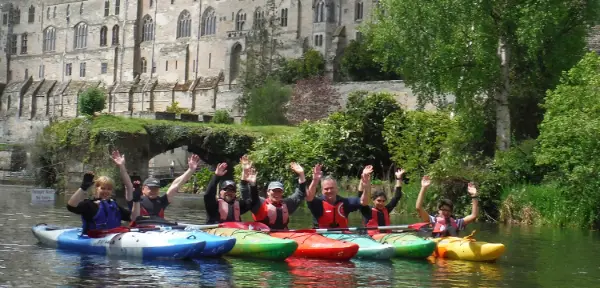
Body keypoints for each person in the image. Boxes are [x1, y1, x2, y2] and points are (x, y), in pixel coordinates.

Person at [67, 151, 140, 235]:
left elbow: (134, 218)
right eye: (103, 188)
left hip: (112, 238)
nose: (106, 191)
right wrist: (83, 188)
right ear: (96, 188)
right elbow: (71, 206)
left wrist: (136, 200)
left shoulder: (114, 206)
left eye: (109, 189)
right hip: (93, 240)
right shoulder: (89, 205)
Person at [130, 154, 200, 225]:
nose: (153, 191)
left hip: (159, 230)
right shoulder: (138, 201)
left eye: (155, 188)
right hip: (142, 230)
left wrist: (190, 170)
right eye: (150, 188)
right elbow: (134, 218)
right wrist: (136, 200)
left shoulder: (161, 201)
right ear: (143, 189)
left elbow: (175, 185)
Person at [305, 164, 372, 228]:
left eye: (332, 188)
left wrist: (366, 185)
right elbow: (309, 196)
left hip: (342, 235)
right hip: (321, 235)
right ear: (322, 190)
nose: (329, 191)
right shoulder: (317, 203)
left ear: (337, 189)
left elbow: (364, 202)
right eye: (326, 189)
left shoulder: (346, 202)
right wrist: (315, 180)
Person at [415, 176, 479, 237]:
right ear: (439, 210)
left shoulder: (457, 223)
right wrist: (423, 188)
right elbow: (418, 208)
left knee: (450, 228)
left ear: (451, 212)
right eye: (443, 210)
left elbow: (474, 215)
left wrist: (474, 195)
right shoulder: (432, 220)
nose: (446, 212)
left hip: (453, 244)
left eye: (448, 210)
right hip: (437, 244)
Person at [251, 161, 306, 230]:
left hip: (283, 236)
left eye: (279, 191)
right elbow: (252, 196)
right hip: (264, 236)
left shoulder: (286, 204)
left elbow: (301, 193)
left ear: (282, 193)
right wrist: (252, 184)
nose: (277, 194)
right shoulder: (260, 204)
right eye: (274, 191)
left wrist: (301, 174)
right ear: (268, 192)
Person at [203, 157, 254, 224]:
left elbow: (250, 200)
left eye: (232, 190)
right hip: (216, 231)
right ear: (220, 192)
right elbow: (208, 195)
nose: (229, 192)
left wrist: (245, 171)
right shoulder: (213, 206)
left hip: (235, 231)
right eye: (226, 189)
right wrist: (216, 176)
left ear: (235, 193)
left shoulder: (239, 206)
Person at [358, 168, 406, 235]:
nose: (381, 203)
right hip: (371, 237)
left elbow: (397, 196)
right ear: (373, 200)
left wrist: (398, 178)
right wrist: (363, 178)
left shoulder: (386, 209)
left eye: (383, 201)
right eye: (379, 201)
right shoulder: (367, 210)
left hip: (386, 236)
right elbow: (360, 197)